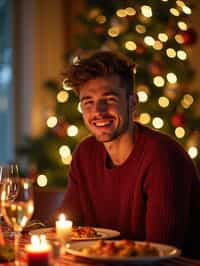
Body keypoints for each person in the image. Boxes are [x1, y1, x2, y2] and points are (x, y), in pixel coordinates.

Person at [56, 51, 200, 258]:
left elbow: (158, 253)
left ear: (132, 103)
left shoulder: (163, 156)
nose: (98, 111)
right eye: (88, 102)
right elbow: (67, 230)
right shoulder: (85, 154)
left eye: (109, 98)